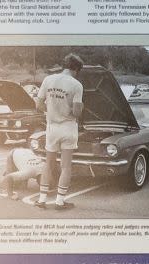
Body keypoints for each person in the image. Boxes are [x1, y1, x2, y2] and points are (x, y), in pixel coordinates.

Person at [36, 54, 85, 210]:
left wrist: (50, 111)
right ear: (76, 69)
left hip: (51, 127)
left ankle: (42, 199)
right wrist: (78, 108)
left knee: (48, 163)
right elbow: (77, 113)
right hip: (68, 127)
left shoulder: (48, 80)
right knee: (66, 166)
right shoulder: (77, 85)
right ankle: (59, 202)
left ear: (64, 66)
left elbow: (39, 104)